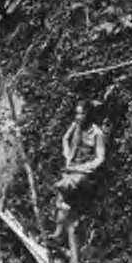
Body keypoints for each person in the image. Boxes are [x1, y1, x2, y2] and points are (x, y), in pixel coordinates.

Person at [51, 100, 106, 243]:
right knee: (63, 200)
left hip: (85, 172)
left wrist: (82, 168)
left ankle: (59, 235)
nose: (78, 117)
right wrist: (67, 154)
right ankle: (59, 234)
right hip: (71, 166)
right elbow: (65, 138)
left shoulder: (97, 133)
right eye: (77, 113)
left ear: (89, 114)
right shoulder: (76, 126)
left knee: (65, 190)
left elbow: (100, 158)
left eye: (82, 114)